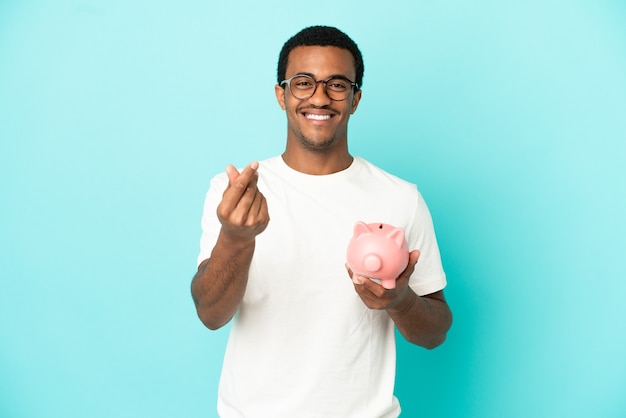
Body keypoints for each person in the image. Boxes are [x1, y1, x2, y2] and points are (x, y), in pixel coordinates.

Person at [191, 25, 452, 418]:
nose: (319, 97)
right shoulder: (237, 195)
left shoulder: (401, 198)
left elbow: (435, 332)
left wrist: (400, 301)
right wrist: (237, 238)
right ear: (281, 94)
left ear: (355, 98)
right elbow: (211, 314)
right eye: (303, 83)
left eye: (336, 84)